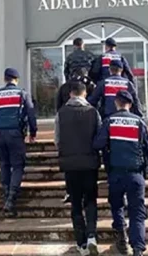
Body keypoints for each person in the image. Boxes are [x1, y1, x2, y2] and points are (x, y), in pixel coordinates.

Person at [93, 90, 148, 256]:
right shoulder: (139, 122)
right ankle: (138, 249)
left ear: (116, 103)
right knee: (137, 212)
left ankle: (121, 239)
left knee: (117, 206)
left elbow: (98, 144)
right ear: (130, 104)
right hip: (136, 174)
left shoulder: (109, 121)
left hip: (115, 173)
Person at [0, 68, 37, 218]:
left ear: (5, 79)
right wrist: (33, 133)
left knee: (4, 164)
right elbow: (31, 114)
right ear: (16, 79)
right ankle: (11, 199)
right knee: (18, 165)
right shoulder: (22, 94)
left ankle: (6, 194)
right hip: (15, 134)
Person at [55, 81, 102, 256]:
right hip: (90, 164)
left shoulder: (61, 113)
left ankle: (81, 244)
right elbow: (99, 137)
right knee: (90, 200)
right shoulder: (93, 112)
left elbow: (57, 140)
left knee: (75, 204)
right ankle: (91, 236)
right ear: (84, 94)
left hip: (70, 165)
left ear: (70, 94)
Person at [56, 67, 97, 204]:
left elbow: (57, 137)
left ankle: (70, 195)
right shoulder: (92, 108)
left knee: (74, 194)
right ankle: (91, 222)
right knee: (90, 196)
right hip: (88, 153)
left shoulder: (64, 87)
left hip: (68, 139)